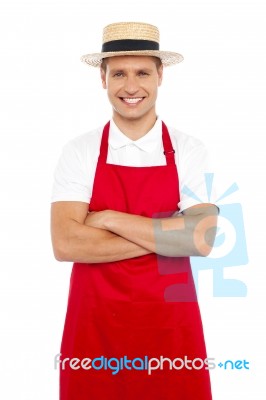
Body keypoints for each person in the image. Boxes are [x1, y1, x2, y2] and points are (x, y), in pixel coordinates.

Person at [51, 22, 218, 400]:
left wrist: (108, 219)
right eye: (119, 73)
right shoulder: (79, 152)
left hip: (170, 327)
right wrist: (169, 234)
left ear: (160, 75)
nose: (130, 87)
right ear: (103, 78)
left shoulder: (190, 151)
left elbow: (202, 238)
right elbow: (65, 243)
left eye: (142, 72)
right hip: (95, 327)